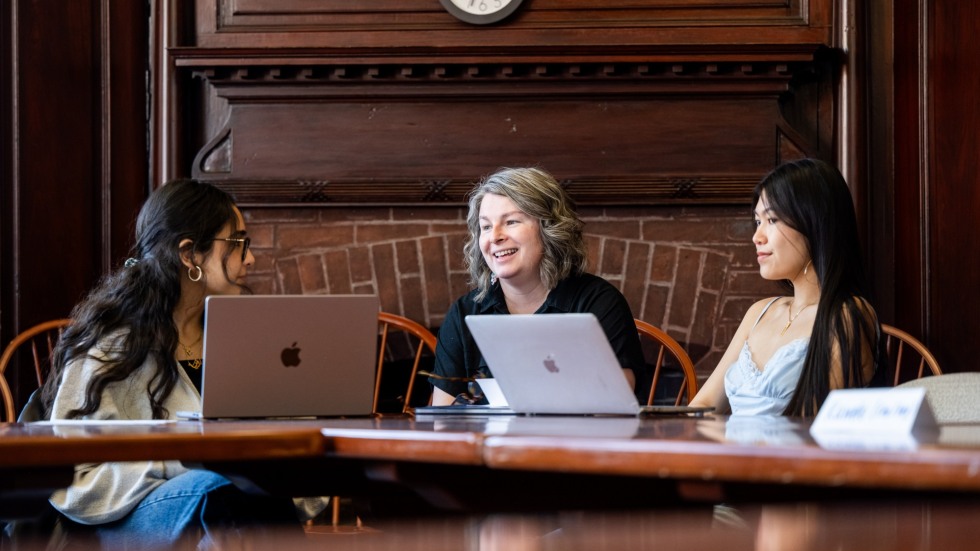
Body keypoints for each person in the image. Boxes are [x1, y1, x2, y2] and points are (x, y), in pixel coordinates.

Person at [33, 179, 306, 548]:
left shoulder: (244, 339)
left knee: (242, 495)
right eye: (239, 243)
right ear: (190, 255)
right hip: (123, 521)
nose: (251, 258)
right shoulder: (116, 346)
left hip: (223, 511)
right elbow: (78, 475)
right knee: (221, 490)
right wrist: (185, 462)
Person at [430, 167, 646, 405]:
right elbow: (442, 419)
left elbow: (613, 406)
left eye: (511, 221)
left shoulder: (599, 303)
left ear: (549, 228)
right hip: (487, 443)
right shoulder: (464, 313)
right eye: (486, 227)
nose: (495, 237)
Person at [690, 158, 885, 417]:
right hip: (734, 453)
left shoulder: (847, 314)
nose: (756, 237)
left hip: (790, 455)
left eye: (771, 220)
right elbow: (703, 405)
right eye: (757, 222)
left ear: (813, 223)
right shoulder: (759, 312)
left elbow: (813, 428)